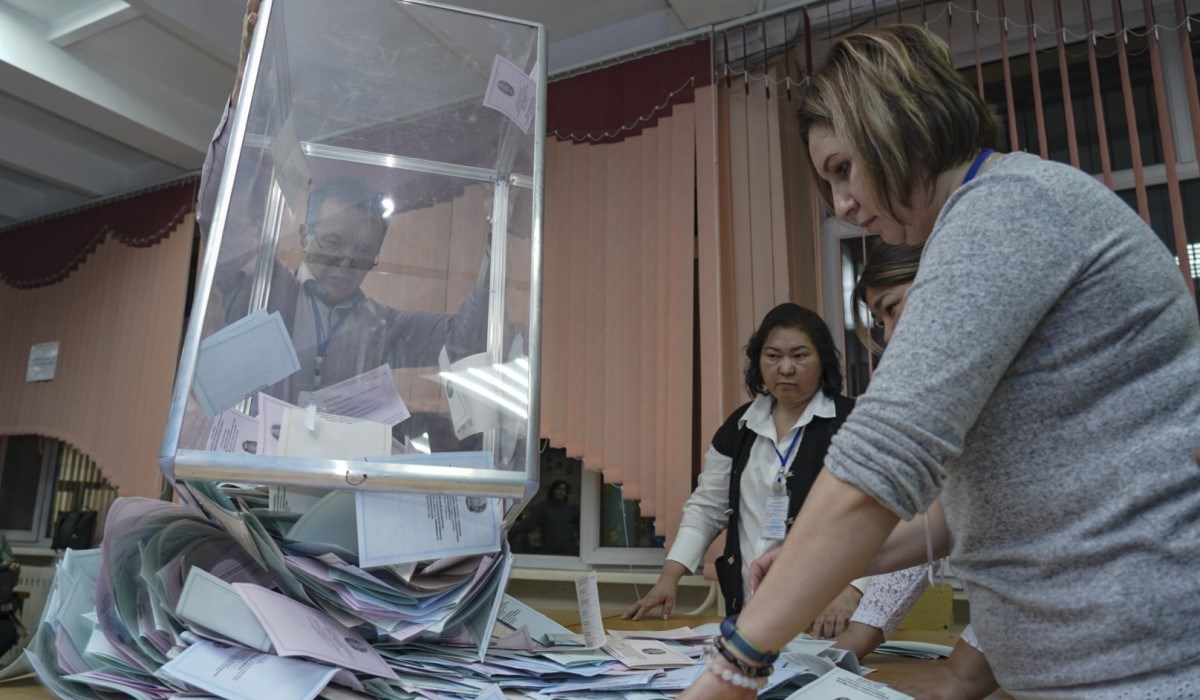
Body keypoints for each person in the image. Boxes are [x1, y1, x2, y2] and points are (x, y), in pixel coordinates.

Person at [682, 24, 1200, 698]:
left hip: (1148, 670)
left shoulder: (1005, 209)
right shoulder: (1004, 210)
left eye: (842, 169)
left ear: (901, 126)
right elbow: (994, 501)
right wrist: (824, 562)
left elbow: (880, 460)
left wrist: (736, 665)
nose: (839, 204)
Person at [196, 1, 490, 408]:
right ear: (303, 235)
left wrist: (496, 243)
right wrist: (249, 98)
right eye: (334, 242)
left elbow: (465, 339)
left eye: (364, 252)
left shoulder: (382, 327)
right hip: (246, 467)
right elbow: (220, 219)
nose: (346, 264)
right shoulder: (263, 290)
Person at [623, 303, 865, 636]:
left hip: (827, 613)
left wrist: (854, 589)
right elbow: (707, 507)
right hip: (748, 610)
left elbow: (883, 516)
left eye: (800, 356)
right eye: (773, 356)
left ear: (822, 360)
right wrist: (670, 576)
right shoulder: (740, 427)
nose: (786, 369)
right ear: (758, 362)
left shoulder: (852, 423)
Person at [509, 480, 580, 555]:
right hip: (549, 550)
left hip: (569, 551)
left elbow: (580, 528)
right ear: (553, 491)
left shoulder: (572, 508)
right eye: (558, 489)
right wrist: (512, 526)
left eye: (563, 490)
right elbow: (530, 523)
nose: (561, 492)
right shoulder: (544, 506)